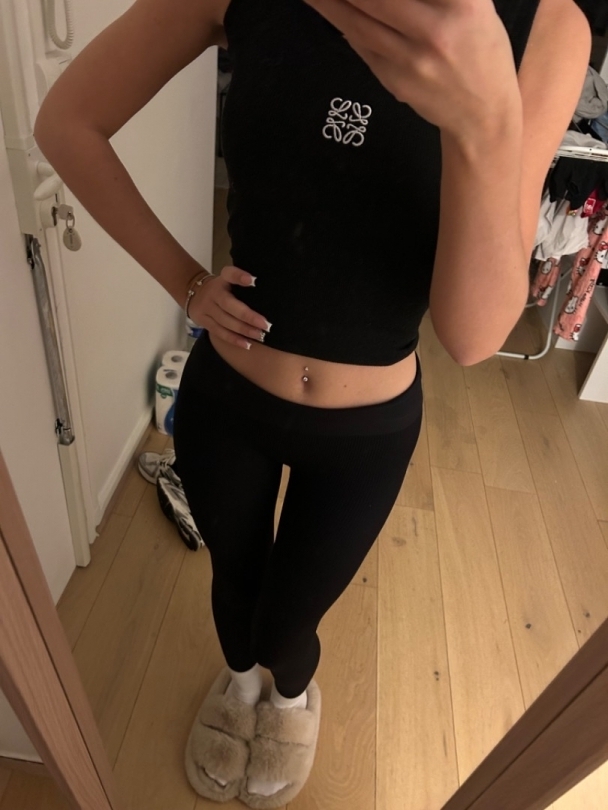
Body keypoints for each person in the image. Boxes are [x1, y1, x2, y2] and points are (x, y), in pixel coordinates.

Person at [34, 0, 591, 806]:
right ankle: (239, 686)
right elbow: (67, 123)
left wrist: (483, 122)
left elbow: (472, 337)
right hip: (228, 399)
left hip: (367, 431)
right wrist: (186, 282)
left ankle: (290, 698)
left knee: (287, 624)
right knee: (234, 589)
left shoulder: (547, 26)